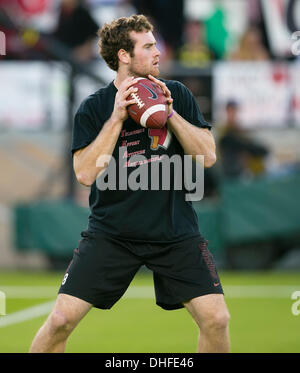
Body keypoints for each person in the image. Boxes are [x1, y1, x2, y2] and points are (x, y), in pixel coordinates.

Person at [29, 14, 230, 353]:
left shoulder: (176, 93)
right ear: (123, 55)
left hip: (174, 231)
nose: (158, 52)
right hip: (112, 233)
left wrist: (171, 113)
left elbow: (208, 156)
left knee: (217, 318)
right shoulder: (94, 107)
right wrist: (117, 117)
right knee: (61, 320)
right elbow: (84, 173)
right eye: (149, 46)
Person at [218, 100, 269, 178]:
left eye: (234, 111)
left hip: (244, 171)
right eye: (230, 111)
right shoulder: (223, 133)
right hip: (230, 171)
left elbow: (262, 150)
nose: (233, 115)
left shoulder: (241, 132)